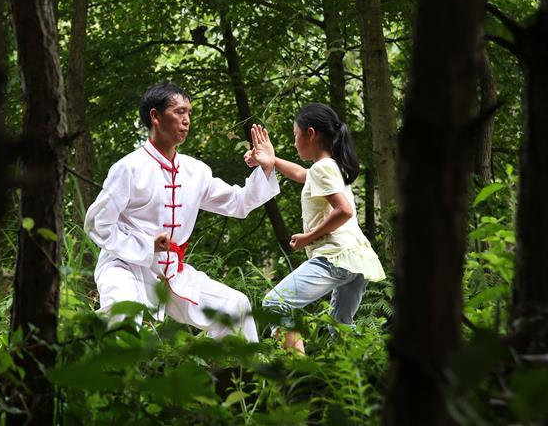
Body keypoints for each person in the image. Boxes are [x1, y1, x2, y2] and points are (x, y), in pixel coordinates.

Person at [84, 81, 279, 341]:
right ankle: (88, 368)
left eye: (189, 113)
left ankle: (228, 379)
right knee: (123, 318)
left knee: (236, 307)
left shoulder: (196, 171)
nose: (187, 120)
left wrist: (265, 168)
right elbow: (97, 223)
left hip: (173, 273)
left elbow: (238, 203)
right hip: (124, 266)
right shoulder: (128, 168)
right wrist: (146, 244)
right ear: (155, 116)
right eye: (179, 112)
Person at [245, 103, 385, 353]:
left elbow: (344, 211)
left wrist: (308, 237)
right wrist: (272, 159)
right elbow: (302, 174)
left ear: (310, 134)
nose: (295, 141)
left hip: (335, 256)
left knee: (276, 303)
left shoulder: (323, 168)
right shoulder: (329, 166)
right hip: (357, 260)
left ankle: (299, 372)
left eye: (295, 135)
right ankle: (355, 379)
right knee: (341, 326)